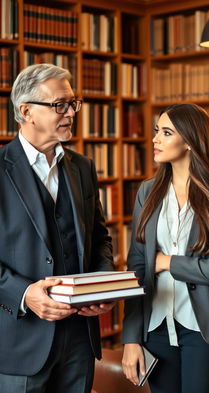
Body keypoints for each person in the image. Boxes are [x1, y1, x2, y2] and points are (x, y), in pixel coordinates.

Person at [0, 63, 115, 393]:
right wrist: (23, 293)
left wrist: (103, 284)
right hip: (19, 341)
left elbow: (99, 237)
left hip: (79, 339)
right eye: (59, 105)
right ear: (26, 112)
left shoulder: (83, 167)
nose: (70, 113)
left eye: (72, 104)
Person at [122, 103, 209, 393]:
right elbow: (136, 268)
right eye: (157, 132)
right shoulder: (147, 192)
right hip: (155, 327)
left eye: (166, 133)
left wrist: (167, 262)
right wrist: (130, 338)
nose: (155, 140)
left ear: (190, 140)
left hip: (204, 329)